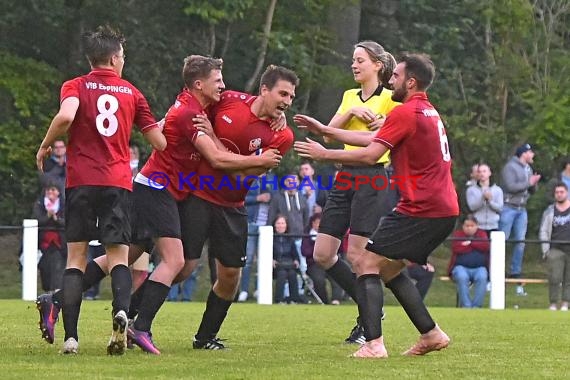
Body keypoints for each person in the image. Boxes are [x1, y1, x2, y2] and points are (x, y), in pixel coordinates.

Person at [294, 53, 459, 358]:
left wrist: (324, 154)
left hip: (422, 207)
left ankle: (374, 344)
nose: (391, 80)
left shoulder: (404, 112)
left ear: (410, 82)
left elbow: (371, 155)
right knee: (389, 268)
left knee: (365, 263)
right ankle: (431, 333)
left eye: (395, 76)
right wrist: (326, 131)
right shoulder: (426, 111)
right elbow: (371, 138)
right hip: (442, 207)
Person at [34, 25, 167, 355]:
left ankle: (71, 339)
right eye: (123, 55)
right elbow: (159, 142)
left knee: (76, 258)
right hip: (117, 182)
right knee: (119, 256)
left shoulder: (75, 85)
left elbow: (66, 117)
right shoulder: (132, 93)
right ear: (114, 57)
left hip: (80, 181)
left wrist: (46, 144)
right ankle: (120, 314)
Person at [174, 64, 298, 350]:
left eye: (291, 97)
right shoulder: (228, 100)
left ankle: (205, 338)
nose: (287, 101)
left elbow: (242, 175)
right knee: (181, 267)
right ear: (264, 90)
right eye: (282, 94)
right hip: (198, 196)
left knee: (230, 277)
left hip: (232, 205)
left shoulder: (282, 136)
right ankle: (132, 317)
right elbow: (195, 103)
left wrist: (215, 140)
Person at [292, 40, 400, 343]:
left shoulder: (392, 99)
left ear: (377, 65)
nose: (354, 65)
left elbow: (380, 140)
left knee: (357, 255)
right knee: (323, 253)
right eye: (353, 60)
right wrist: (353, 109)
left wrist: (378, 125)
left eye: (360, 60)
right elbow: (327, 131)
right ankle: (371, 309)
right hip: (344, 176)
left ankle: (369, 320)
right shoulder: (350, 95)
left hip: (373, 177)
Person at [499, 143, 540, 296]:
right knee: (502, 240)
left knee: (520, 242)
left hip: (522, 209)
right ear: (524, 153)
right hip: (509, 207)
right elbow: (511, 186)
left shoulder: (528, 168)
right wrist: (529, 182)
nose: (533, 155)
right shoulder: (510, 167)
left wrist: (534, 183)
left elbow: (530, 189)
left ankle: (515, 272)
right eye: (531, 152)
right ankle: (497, 271)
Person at [238, 174, 275, 302]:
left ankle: (259, 289)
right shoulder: (247, 179)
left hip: (267, 225)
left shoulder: (271, 178)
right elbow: (240, 198)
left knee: (264, 260)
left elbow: (277, 197)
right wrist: (258, 198)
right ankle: (244, 290)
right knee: (247, 259)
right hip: (251, 222)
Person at [539, 183, 570, 311]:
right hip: (555, 249)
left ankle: (565, 303)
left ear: (567, 192)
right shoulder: (549, 211)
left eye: (561, 192)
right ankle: (553, 303)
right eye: (557, 192)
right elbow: (543, 231)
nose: (559, 194)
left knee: (569, 280)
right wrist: (546, 250)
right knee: (554, 278)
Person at [301, 213, 344, 304]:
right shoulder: (307, 235)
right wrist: (319, 248)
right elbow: (305, 251)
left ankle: (336, 300)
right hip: (314, 264)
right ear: (312, 223)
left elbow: (340, 249)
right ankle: (324, 301)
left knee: (337, 278)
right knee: (319, 280)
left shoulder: (331, 234)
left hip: (330, 262)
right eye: (318, 223)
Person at [448, 215, 490, 308]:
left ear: (476, 226)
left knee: (483, 276)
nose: (469, 228)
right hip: (460, 267)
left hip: (479, 268)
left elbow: (485, 247)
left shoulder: (482, 234)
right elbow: (457, 248)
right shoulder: (458, 235)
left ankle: (476, 306)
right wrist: (475, 244)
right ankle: (466, 306)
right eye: (467, 226)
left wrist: (470, 243)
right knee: (462, 276)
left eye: (472, 226)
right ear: (463, 226)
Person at [34, 182, 66, 292]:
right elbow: (37, 221)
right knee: (44, 266)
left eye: (53, 190)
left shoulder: (64, 205)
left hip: (59, 242)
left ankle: (56, 289)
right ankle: (47, 289)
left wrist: (57, 219)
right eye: (48, 190)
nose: (50, 192)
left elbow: (68, 222)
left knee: (58, 265)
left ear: (58, 192)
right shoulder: (39, 204)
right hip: (43, 242)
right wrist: (47, 216)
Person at [466, 163, 503, 236]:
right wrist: (482, 199)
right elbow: (472, 207)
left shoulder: (497, 190)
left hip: (494, 226)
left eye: (484, 171)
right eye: (479, 172)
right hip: (478, 226)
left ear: (489, 173)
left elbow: (500, 208)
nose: (482, 174)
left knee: (494, 247)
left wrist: (490, 201)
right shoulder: (471, 190)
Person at [272, 215, 302, 303]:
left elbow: (295, 255)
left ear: (286, 225)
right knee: (282, 273)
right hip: (276, 266)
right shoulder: (270, 238)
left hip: (289, 265)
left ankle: (294, 300)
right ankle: (279, 300)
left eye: (282, 223)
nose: (280, 225)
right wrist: (271, 260)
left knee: (292, 274)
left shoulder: (290, 239)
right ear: (274, 225)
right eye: (278, 223)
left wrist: (296, 260)